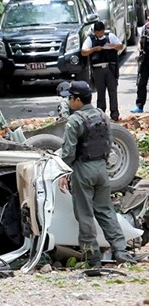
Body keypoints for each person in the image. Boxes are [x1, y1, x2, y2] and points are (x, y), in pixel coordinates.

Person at [58, 80, 137, 267]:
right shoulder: (103, 116)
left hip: (83, 170)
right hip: (102, 168)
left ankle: (92, 257)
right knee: (106, 211)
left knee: (84, 214)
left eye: (70, 98)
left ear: (78, 100)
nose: (69, 101)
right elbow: (109, 144)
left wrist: (63, 172)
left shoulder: (74, 121)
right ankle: (120, 250)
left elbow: (68, 153)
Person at [81, 21, 122, 121]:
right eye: (97, 32)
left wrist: (110, 46)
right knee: (101, 92)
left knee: (113, 91)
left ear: (104, 30)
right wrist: (94, 49)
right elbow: (83, 52)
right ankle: (101, 114)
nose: (99, 34)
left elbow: (120, 46)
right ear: (94, 32)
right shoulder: (90, 39)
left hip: (110, 68)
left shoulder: (110, 36)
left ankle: (114, 114)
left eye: (101, 32)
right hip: (98, 69)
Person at [132, 18, 149, 113]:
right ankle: (139, 106)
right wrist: (138, 52)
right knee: (141, 83)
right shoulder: (144, 28)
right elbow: (140, 41)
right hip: (145, 59)